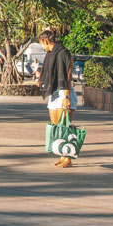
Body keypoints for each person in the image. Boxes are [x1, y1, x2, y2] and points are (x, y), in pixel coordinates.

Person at [36, 28, 77, 168]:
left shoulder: (63, 52)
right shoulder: (51, 54)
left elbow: (68, 73)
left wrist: (66, 96)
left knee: (65, 126)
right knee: (56, 127)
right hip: (54, 93)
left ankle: (68, 159)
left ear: (46, 41)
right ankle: (62, 155)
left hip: (63, 92)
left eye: (41, 43)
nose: (41, 46)